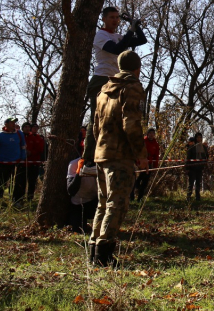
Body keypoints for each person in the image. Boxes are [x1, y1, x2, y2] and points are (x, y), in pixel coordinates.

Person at [89, 50, 148, 267]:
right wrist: (141, 154)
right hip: (120, 156)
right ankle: (104, 255)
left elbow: (95, 126)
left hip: (102, 153)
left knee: (103, 204)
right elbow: (131, 123)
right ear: (137, 69)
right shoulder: (131, 87)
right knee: (117, 204)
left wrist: (99, 148)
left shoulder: (104, 90)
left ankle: (93, 250)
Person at [83, 7, 147, 162]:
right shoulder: (101, 35)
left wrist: (134, 25)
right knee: (97, 118)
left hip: (115, 81)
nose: (115, 20)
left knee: (114, 118)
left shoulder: (118, 37)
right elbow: (117, 50)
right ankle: (88, 160)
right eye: (111, 17)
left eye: (117, 17)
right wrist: (130, 31)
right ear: (104, 19)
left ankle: (109, 154)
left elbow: (142, 40)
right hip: (101, 79)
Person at [0, 117, 27, 204]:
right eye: (11, 122)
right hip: (2, 164)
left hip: (16, 163)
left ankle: (17, 201)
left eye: (14, 122)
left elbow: (23, 146)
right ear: (6, 124)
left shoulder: (19, 133)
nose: (13, 124)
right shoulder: (0, 135)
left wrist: (22, 158)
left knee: (17, 183)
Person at [67, 158, 98, 233]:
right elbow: (71, 191)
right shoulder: (74, 164)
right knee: (78, 231)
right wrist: (79, 171)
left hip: (95, 201)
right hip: (78, 203)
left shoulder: (101, 163)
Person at [131, 128, 160, 201]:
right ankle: (132, 196)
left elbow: (156, 156)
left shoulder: (155, 144)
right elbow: (137, 151)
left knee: (145, 181)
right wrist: (137, 162)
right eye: (150, 133)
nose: (151, 135)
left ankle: (140, 198)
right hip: (140, 162)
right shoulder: (143, 141)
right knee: (135, 179)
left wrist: (155, 167)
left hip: (149, 163)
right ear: (147, 134)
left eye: (153, 133)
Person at [23, 123, 46, 201]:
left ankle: (30, 197)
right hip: (24, 163)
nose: (35, 129)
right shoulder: (24, 136)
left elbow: (40, 149)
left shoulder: (39, 138)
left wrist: (31, 152)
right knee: (22, 181)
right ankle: (21, 197)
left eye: (37, 128)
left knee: (32, 181)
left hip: (34, 162)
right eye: (33, 127)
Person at [185, 132, 208, 201]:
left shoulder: (204, 147)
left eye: (200, 137)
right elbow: (188, 158)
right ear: (195, 138)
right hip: (192, 167)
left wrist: (204, 164)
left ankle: (197, 197)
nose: (199, 139)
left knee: (198, 182)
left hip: (200, 167)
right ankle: (188, 196)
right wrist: (187, 167)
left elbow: (206, 156)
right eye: (198, 137)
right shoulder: (192, 147)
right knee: (191, 183)